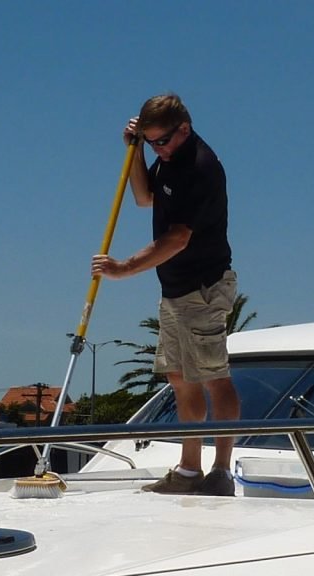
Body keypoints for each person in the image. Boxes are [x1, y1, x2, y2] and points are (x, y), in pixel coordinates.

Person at [91, 93, 240, 496]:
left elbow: (177, 238)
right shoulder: (169, 159)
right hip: (174, 288)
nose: (160, 148)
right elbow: (143, 198)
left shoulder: (199, 167)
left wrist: (124, 268)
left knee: (213, 378)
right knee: (180, 377)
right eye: (152, 141)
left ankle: (221, 471)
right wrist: (135, 151)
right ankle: (190, 469)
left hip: (203, 287)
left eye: (162, 141)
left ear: (184, 129)